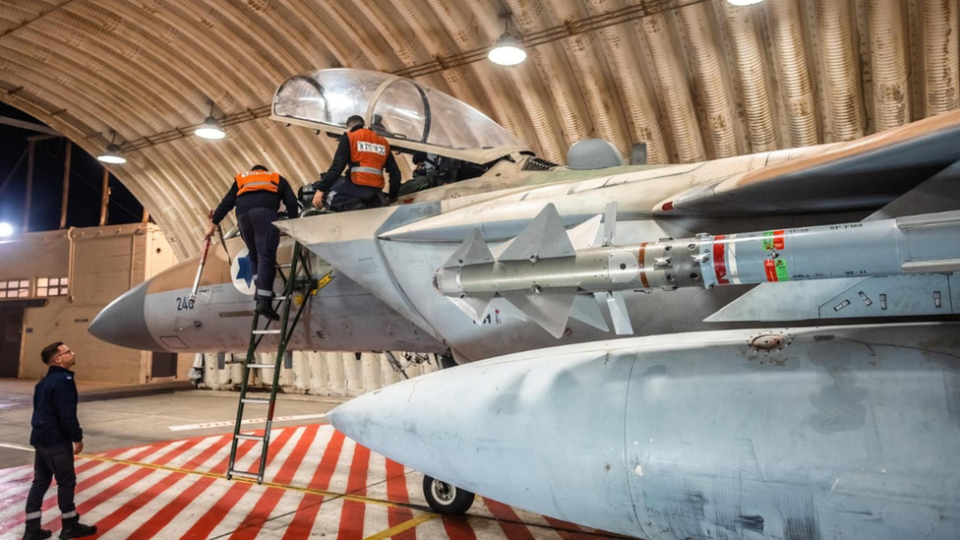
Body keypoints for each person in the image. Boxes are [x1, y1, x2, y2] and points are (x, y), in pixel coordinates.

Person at [22, 343, 97, 540]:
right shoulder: (63, 381)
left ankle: (32, 529)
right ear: (58, 359)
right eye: (68, 352)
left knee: (40, 481)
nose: (73, 353)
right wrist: (77, 438)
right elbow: (67, 415)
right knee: (66, 482)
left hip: (40, 438)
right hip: (56, 440)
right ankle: (70, 526)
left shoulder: (44, 382)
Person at [205, 165, 299, 321]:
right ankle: (264, 301)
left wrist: (212, 225)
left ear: (253, 171)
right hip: (264, 214)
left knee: (254, 254)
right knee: (266, 257)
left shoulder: (242, 178)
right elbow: (292, 202)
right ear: (265, 171)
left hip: (243, 217)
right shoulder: (276, 178)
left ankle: (260, 293)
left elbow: (227, 202)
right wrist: (294, 224)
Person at [310, 115, 401, 211]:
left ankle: (352, 205)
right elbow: (395, 173)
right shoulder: (383, 142)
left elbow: (337, 167)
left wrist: (321, 190)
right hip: (376, 193)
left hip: (358, 189)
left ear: (349, 127)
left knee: (325, 184)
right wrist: (392, 196)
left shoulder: (350, 137)